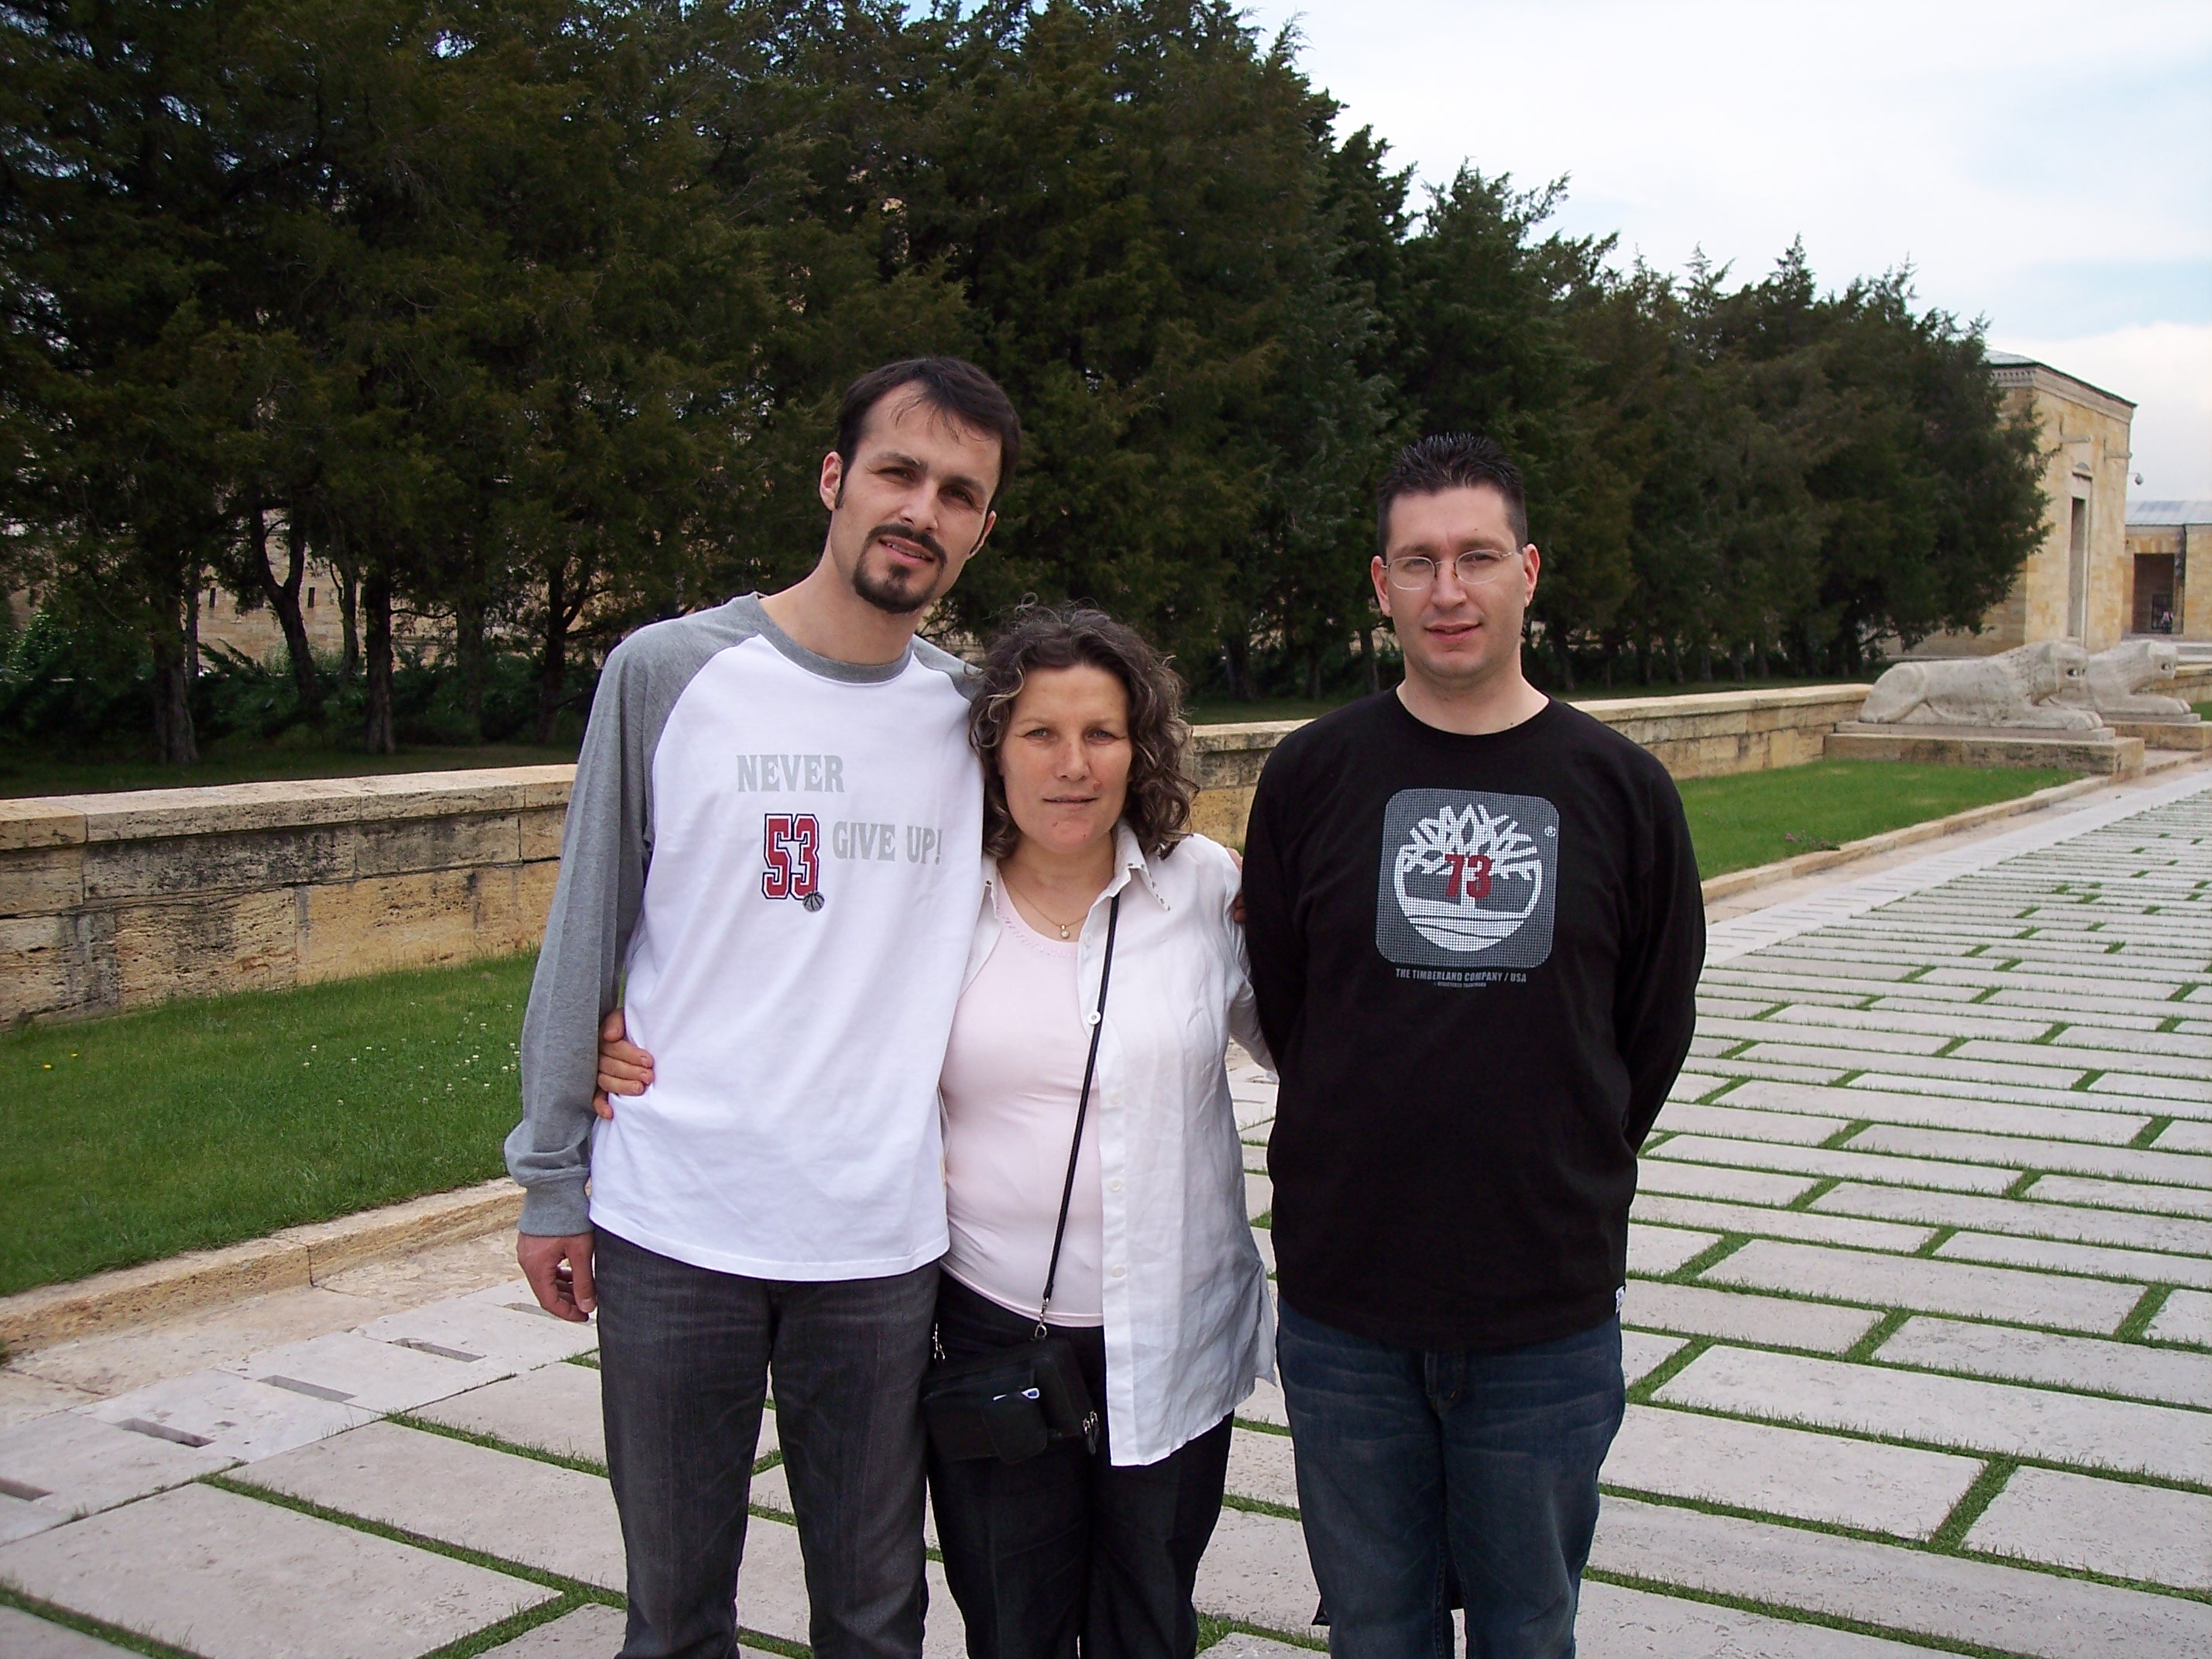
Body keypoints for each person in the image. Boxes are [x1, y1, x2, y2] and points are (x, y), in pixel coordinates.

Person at [599, 605, 1273, 1659]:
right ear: (992, 749)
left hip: (1174, 1327)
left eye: (1101, 733)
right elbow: (791, 977)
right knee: (1011, 1623)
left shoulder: (1205, 889)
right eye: (1040, 733)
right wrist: (630, 1040)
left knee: (1149, 1617)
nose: (1072, 764)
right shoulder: (939, 896)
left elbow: (1307, 1042)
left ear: (1140, 748)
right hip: (993, 1327)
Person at [503, 356, 1020, 1659]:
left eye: (958, 492)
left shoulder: (973, 720)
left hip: (879, 1241)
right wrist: (551, 1173)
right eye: (898, 471)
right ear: (834, 477)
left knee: (875, 1614)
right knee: (675, 1614)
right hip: (676, 1221)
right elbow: (586, 926)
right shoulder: (670, 670)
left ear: (981, 526)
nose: (922, 510)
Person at [1238, 434, 1705, 1659]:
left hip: (1542, 1307)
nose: (1449, 589)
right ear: (1381, 583)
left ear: (1528, 571)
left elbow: (1650, 1029)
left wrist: (1557, 1146)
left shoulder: (1622, 791)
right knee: (1375, 1629)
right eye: (1420, 561)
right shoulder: (1312, 776)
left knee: (1527, 1626)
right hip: (1348, 1306)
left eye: (1478, 557)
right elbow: (1289, 1005)